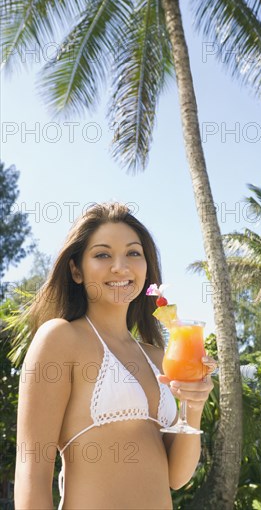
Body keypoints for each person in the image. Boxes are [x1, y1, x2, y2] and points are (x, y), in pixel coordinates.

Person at [14, 202, 216, 509]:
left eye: (133, 253)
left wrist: (193, 405)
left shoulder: (159, 356)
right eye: (102, 254)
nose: (120, 266)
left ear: (147, 268)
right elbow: (32, 469)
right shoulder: (60, 339)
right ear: (76, 270)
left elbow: (176, 476)